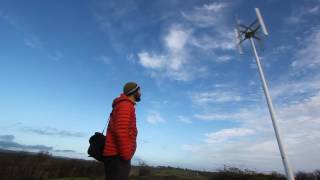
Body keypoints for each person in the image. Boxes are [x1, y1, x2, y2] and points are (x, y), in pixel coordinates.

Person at [103, 82, 141, 180]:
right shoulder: (126, 106)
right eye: (139, 90)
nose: (140, 93)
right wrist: (126, 155)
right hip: (117, 157)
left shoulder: (124, 105)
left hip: (116, 156)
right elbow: (121, 131)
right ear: (134, 92)